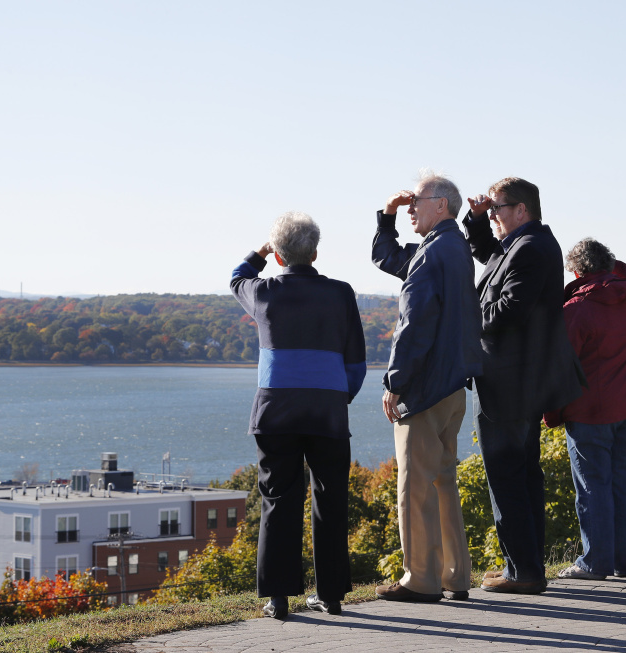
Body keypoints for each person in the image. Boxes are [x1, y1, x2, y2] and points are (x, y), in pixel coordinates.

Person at [230, 212, 367, 620]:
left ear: (278, 257)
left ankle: (278, 598)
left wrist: (260, 252)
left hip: (276, 411)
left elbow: (237, 276)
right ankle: (332, 595)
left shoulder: (264, 292)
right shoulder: (341, 293)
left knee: (278, 501)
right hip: (327, 411)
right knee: (331, 501)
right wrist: (338, 397)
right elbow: (356, 363)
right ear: (316, 252)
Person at [463, 177, 585, 594]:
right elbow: (489, 256)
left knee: (508, 476)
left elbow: (511, 308)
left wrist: (464, 318)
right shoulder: (523, 243)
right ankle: (526, 565)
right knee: (522, 475)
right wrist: (476, 219)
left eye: (497, 208)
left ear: (522, 210)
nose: (493, 214)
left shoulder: (531, 247)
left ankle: (524, 571)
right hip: (514, 381)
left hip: (510, 383)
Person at [371, 172, 483, 602]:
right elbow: (387, 258)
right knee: (443, 483)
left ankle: (420, 579)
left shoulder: (433, 254)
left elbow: (414, 323)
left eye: (417, 200)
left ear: (443, 205)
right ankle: (455, 575)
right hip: (454, 388)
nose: (411, 206)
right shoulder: (454, 249)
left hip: (426, 390)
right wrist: (388, 217)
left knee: (414, 487)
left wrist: (395, 383)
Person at [546, 238, 626, 580]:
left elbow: (561, 366)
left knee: (592, 486)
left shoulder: (575, 310)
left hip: (590, 412)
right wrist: (614, 270)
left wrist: (551, 412)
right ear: (610, 266)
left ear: (575, 270)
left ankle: (595, 562)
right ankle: (620, 562)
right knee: (624, 484)